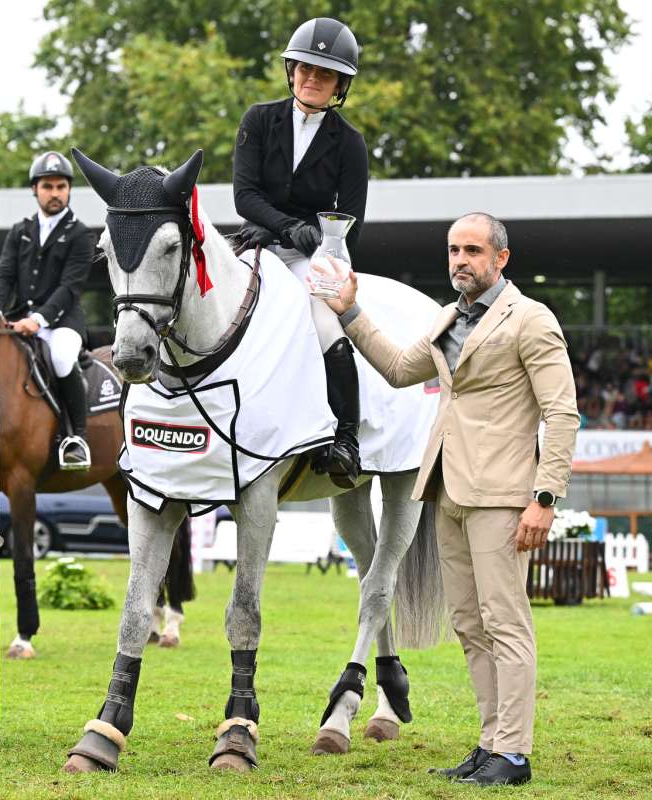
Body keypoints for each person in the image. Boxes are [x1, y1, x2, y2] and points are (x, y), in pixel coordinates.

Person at [319, 212, 580, 786]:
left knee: (506, 624)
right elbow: (394, 368)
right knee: (468, 624)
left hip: (505, 496)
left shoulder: (531, 320)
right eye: (453, 250)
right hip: (447, 491)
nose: (460, 260)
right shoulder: (447, 319)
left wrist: (545, 497)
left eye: (472, 250)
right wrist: (350, 311)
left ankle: (513, 753)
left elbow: (562, 413)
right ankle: (490, 746)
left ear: (500, 259)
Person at [232, 16, 369, 488]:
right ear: (291, 70)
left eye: (325, 73)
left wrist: (321, 240)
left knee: (326, 321)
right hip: (260, 239)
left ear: (339, 85)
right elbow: (245, 196)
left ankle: (347, 438)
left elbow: (351, 216)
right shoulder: (258, 119)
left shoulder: (349, 143)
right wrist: (290, 228)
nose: (313, 78)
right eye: (306, 68)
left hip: (316, 253)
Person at [0, 151, 95, 469]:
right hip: (18, 318)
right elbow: (3, 278)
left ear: (68, 190)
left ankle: (74, 436)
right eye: (48, 187)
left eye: (61, 187)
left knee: (62, 358)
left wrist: (38, 321)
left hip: (62, 321)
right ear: (35, 190)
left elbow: (70, 287)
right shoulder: (19, 231)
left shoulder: (80, 235)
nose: (55, 193)